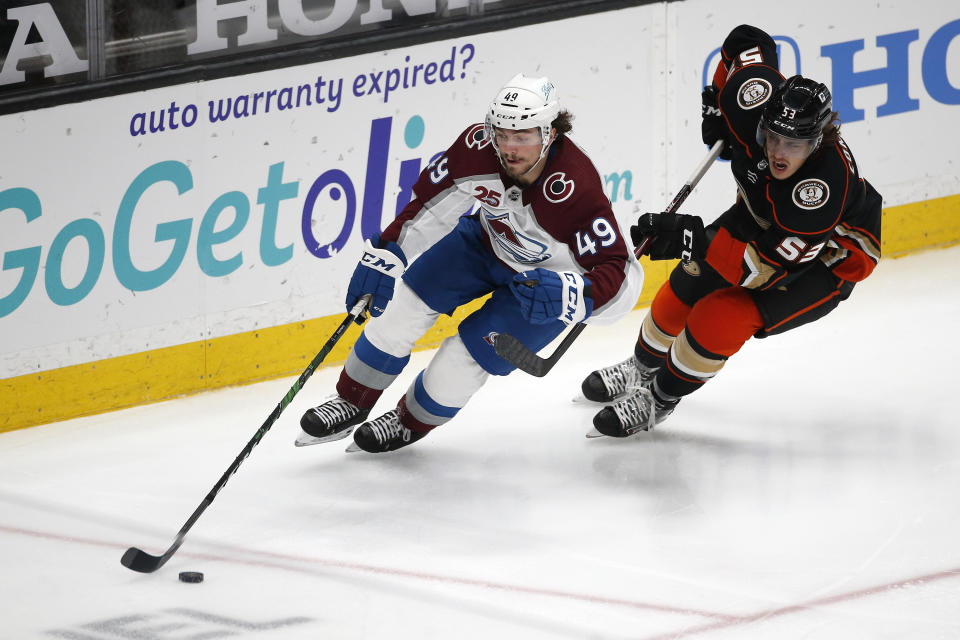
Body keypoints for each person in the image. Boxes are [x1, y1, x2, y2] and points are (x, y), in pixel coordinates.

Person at [297, 73, 644, 452]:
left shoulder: (575, 187)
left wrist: (577, 295)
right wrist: (387, 253)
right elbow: (431, 206)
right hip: (483, 242)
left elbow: (622, 276)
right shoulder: (476, 147)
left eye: (523, 136)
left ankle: (408, 421)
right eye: (502, 133)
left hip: (543, 285)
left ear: (550, 133)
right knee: (402, 308)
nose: (509, 147)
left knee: (463, 357)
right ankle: (352, 398)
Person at [580, 24, 882, 437]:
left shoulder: (819, 192)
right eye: (772, 137)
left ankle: (659, 399)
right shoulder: (752, 100)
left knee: (720, 313)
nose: (778, 152)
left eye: (793, 146)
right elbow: (746, 40)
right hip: (762, 218)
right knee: (687, 282)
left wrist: (690, 240)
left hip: (824, 260)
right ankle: (641, 368)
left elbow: (763, 267)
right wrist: (717, 107)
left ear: (817, 141)